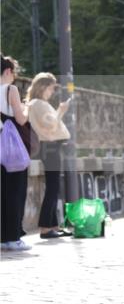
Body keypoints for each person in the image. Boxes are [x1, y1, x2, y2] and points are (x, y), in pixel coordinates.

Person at [25, 73, 72, 239]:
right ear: (43, 87)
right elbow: (51, 124)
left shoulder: (38, 103)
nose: (52, 92)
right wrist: (61, 110)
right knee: (53, 187)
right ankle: (46, 227)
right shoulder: (38, 104)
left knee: (54, 187)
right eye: (51, 88)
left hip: (50, 146)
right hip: (49, 146)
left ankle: (52, 225)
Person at [1, 56, 31, 251]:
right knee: (15, 192)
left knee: (3, 193)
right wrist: (27, 110)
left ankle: (3, 238)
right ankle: (14, 238)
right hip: (11, 151)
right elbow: (20, 119)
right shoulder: (10, 89)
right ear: (8, 72)